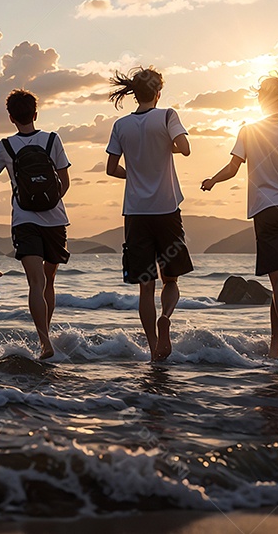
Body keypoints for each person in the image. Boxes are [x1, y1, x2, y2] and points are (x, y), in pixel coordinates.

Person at [202, 73, 278, 366]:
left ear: (261, 99)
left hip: (268, 211)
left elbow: (233, 168)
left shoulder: (249, 130)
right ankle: (275, 349)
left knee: (277, 281)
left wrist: (212, 180)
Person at [105, 67, 193, 363]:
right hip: (166, 210)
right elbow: (185, 149)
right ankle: (165, 317)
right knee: (171, 281)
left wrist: (134, 173)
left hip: (135, 214)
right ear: (158, 92)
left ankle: (154, 348)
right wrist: (165, 145)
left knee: (146, 288)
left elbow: (111, 169)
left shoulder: (121, 125)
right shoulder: (167, 116)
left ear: (134, 94)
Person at [0, 89, 70, 360]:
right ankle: (46, 336)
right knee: (49, 281)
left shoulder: (5, 146)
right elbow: (65, 182)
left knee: (35, 282)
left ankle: (44, 342)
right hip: (55, 220)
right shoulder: (52, 139)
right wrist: (48, 201)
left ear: (11, 117)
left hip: (24, 220)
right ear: (36, 114)